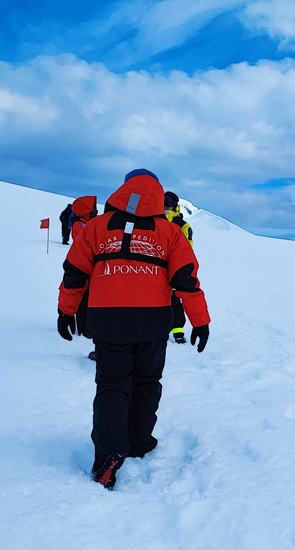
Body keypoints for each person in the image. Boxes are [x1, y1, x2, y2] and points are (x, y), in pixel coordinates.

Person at [56, 169, 211, 490]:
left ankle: (108, 453)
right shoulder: (170, 233)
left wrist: (65, 311)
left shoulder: (96, 227)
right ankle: (138, 441)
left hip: (106, 320)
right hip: (153, 321)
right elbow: (186, 280)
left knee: (112, 385)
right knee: (147, 381)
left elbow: (74, 273)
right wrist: (200, 321)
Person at [68, 196, 99, 357]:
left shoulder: (84, 224)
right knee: (84, 298)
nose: (96, 210)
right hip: (85, 268)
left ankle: (86, 326)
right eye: (93, 208)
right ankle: (84, 328)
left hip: (88, 268)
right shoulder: (81, 225)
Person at [163, 191, 194, 344]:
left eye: (169, 203)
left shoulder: (182, 226)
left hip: (173, 269)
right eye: (164, 202)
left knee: (175, 302)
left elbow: (187, 249)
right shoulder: (152, 221)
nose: (166, 206)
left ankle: (178, 331)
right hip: (154, 271)